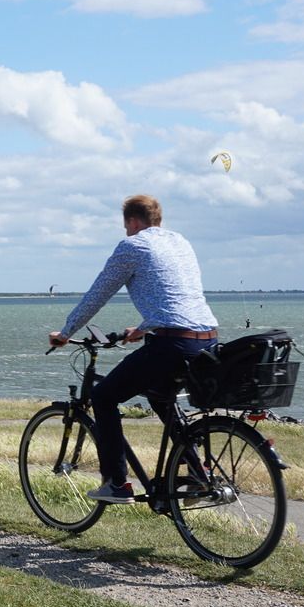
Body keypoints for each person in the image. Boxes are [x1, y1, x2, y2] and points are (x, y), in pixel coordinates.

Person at [49, 194, 218, 504]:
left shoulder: (132, 246)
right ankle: (196, 472)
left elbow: (97, 295)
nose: (126, 231)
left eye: (126, 226)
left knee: (103, 397)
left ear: (133, 222)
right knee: (158, 394)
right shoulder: (180, 242)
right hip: (207, 338)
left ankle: (116, 483)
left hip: (172, 342)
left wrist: (66, 332)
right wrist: (142, 329)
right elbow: (175, 297)